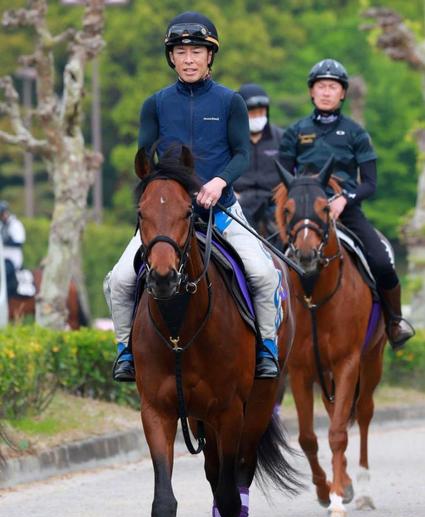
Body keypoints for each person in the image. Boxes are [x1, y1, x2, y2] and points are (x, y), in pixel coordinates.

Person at [109, 12, 282, 382]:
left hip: (220, 211)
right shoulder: (154, 104)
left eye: (197, 51)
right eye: (181, 51)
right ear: (171, 57)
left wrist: (219, 182)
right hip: (168, 217)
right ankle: (125, 351)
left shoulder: (230, 102)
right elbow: (146, 157)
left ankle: (267, 347)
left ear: (210, 57)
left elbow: (242, 154)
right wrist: (165, 194)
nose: (189, 59)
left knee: (264, 273)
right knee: (120, 279)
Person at [278, 58, 414, 350]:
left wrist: (344, 198)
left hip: (347, 211)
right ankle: (270, 328)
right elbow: (284, 181)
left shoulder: (355, 133)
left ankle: (394, 321)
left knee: (381, 260)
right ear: (312, 92)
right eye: (321, 86)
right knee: (270, 264)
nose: (326, 92)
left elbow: (370, 183)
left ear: (342, 94)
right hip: (304, 214)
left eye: (333, 87)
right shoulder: (295, 132)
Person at [233, 83, 283, 239]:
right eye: (252, 113)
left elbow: (291, 172)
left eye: (260, 112)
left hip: (273, 202)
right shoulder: (229, 140)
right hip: (239, 202)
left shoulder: (281, 138)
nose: (257, 117)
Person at [0, 200, 25, 298]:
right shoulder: (1, 225)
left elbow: (19, 242)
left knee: (5, 272)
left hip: (12, 259)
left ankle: (7, 296)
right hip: (2, 258)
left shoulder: (15, 224)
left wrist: (4, 242)